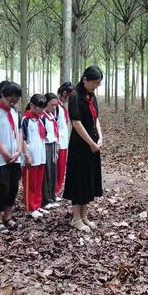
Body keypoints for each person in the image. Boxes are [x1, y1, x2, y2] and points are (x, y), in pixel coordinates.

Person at [63, 67, 103, 232]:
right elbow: (76, 122)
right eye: (94, 83)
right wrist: (90, 143)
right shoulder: (74, 96)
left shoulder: (92, 96)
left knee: (88, 179)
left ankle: (84, 215)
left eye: (98, 84)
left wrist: (100, 137)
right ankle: (76, 217)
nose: (96, 86)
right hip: (80, 145)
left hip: (92, 144)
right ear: (85, 80)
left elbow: (96, 119)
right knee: (79, 179)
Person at [0, 82, 23, 233]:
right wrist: (4, 153)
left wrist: (19, 150)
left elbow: (20, 131)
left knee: (13, 187)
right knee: (0, 188)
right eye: (10, 100)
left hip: (15, 157)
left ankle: (8, 216)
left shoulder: (14, 111)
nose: (12, 103)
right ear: (3, 95)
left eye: (15, 100)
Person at [21, 94, 47, 219]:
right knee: (30, 183)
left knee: (38, 182)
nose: (41, 110)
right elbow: (23, 139)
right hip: (30, 156)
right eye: (39, 108)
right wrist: (26, 155)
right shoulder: (25, 119)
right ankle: (30, 207)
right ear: (32, 105)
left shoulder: (40, 119)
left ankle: (37, 204)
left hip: (40, 156)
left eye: (43, 108)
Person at [41, 92, 60, 209]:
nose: (54, 108)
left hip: (53, 145)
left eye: (55, 105)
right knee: (46, 173)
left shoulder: (52, 116)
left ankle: (52, 196)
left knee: (53, 171)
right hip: (45, 145)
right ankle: (46, 199)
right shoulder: (42, 117)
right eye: (52, 105)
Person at [56, 82, 73, 198]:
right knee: (57, 169)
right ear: (64, 93)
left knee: (62, 169)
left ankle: (57, 190)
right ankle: (54, 191)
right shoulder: (55, 107)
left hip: (64, 143)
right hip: (58, 143)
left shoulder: (62, 107)